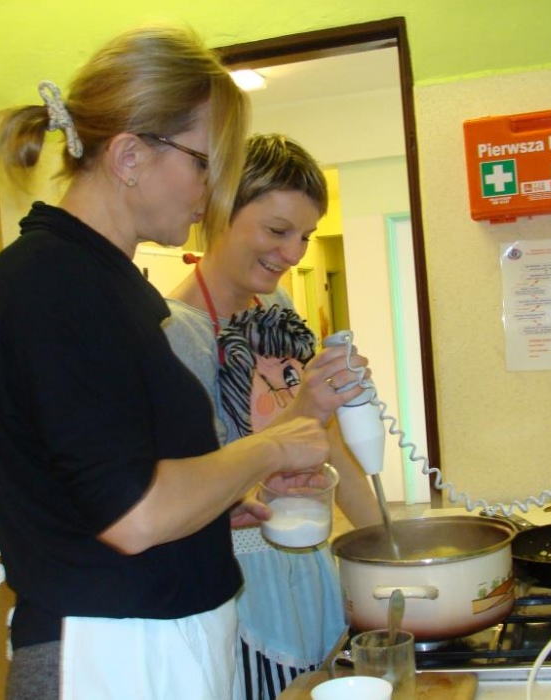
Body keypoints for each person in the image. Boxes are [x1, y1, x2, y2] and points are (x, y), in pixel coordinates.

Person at [0, 28, 330, 700]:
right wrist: (271, 448)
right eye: (205, 165)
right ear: (130, 156)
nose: (213, 192)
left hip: (156, 642)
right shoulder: (51, 282)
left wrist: (209, 511)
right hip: (108, 655)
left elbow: (110, 488)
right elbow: (134, 515)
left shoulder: (106, 282)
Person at [164, 133, 383, 699]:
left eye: (305, 236)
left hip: (306, 563)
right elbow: (196, 492)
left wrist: (387, 548)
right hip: (237, 584)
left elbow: (322, 442)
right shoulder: (175, 333)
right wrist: (305, 407)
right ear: (219, 211)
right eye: (277, 230)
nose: (293, 254)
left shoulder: (276, 309)